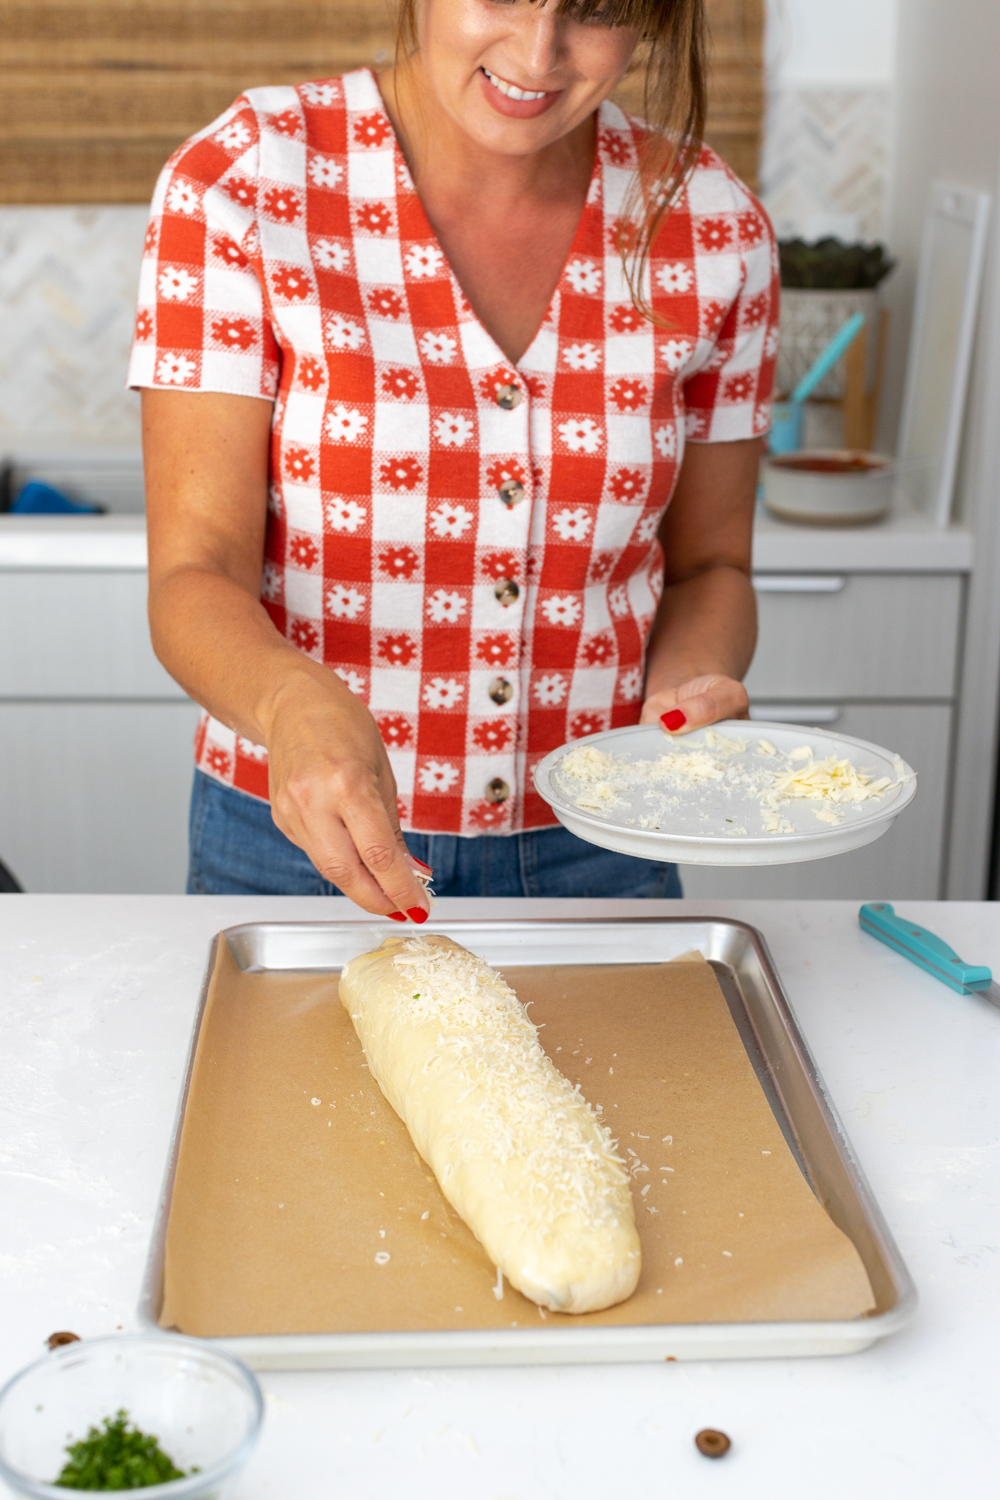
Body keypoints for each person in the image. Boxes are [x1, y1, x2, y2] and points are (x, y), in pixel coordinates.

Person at [130, 0, 778, 916]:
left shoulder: (714, 225)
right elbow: (194, 575)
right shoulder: (244, 179)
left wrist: (682, 698)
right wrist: (288, 705)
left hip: (605, 838)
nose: (538, 52)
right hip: (303, 842)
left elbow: (713, 565)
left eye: (595, 10)